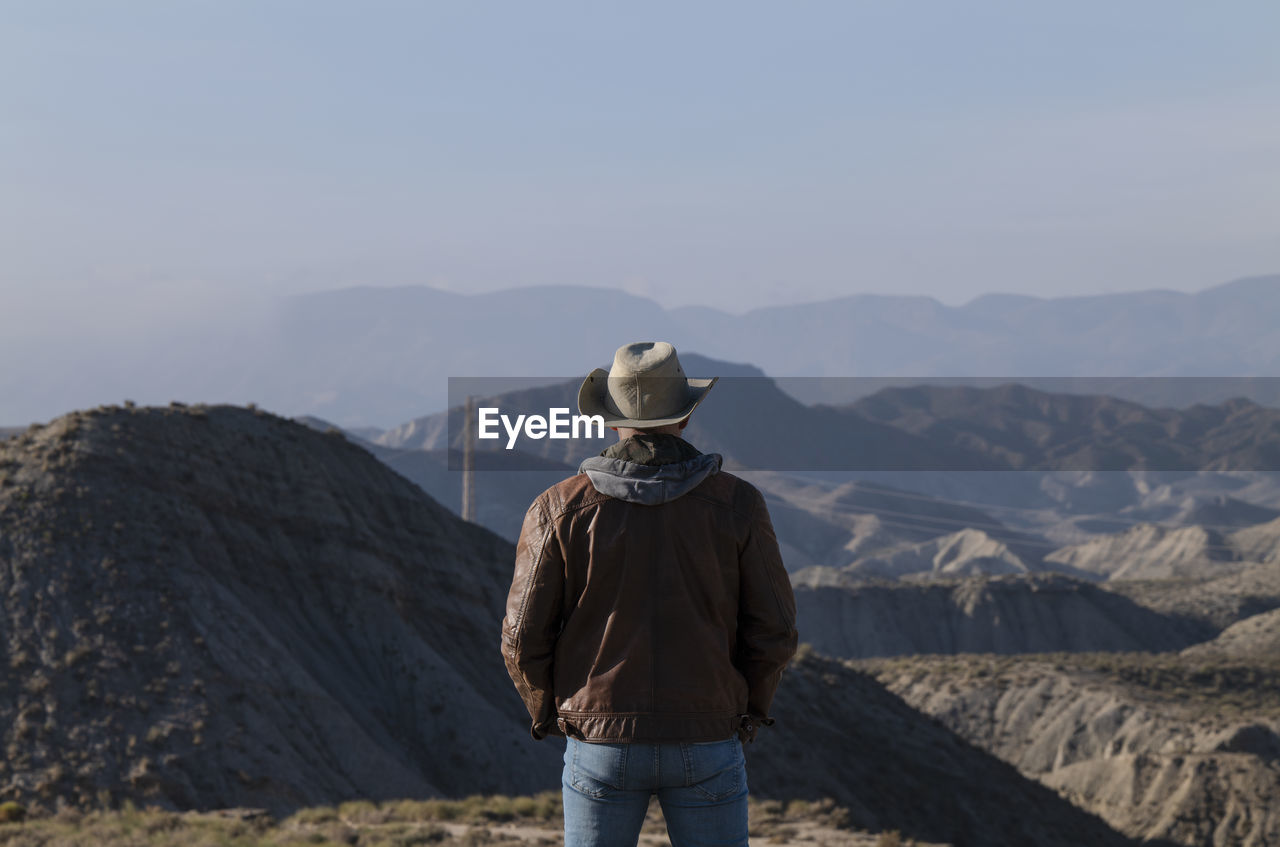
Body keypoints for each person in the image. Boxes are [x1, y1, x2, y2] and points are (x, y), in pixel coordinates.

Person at [501, 341, 799, 847]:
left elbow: (520, 637)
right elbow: (774, 630)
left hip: (599, 740)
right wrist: (746, 710)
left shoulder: (557, 508)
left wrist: (551, 712)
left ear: (611, 420)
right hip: (708, 734)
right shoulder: (739, 504)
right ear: (684, 419)